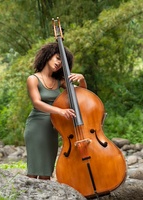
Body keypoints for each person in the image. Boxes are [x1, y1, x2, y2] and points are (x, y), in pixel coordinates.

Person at [24, 42, 87, 180]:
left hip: (53, 126)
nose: (59, 63)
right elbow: (37, 103)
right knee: (33, 170)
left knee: (47, 171)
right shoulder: (33, 79)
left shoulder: (60, 81)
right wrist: (60, 111)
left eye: (62, 61)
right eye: (58, 58)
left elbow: (81, 95)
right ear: (48, 55)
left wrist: (82, 80)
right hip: (36, 125)